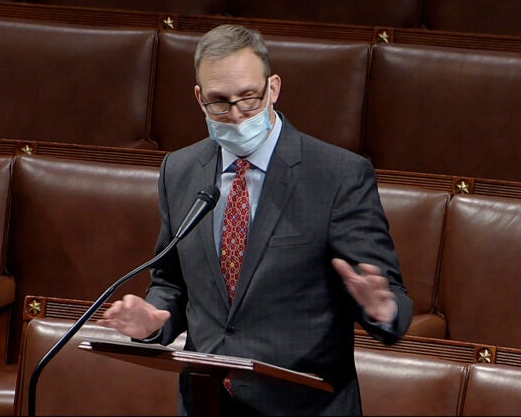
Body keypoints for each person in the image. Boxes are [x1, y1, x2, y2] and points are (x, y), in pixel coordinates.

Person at [99, 24, 412, 415]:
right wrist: (152, 322)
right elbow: (171, 282)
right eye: (219, 102)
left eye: (249, 98)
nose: (235, 115)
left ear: (273, 88)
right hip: (208, 403)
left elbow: (392, 300)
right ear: (199, 97)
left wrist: (381, 311)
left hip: (305, 406)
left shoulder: (337, 175)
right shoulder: (180, 171)